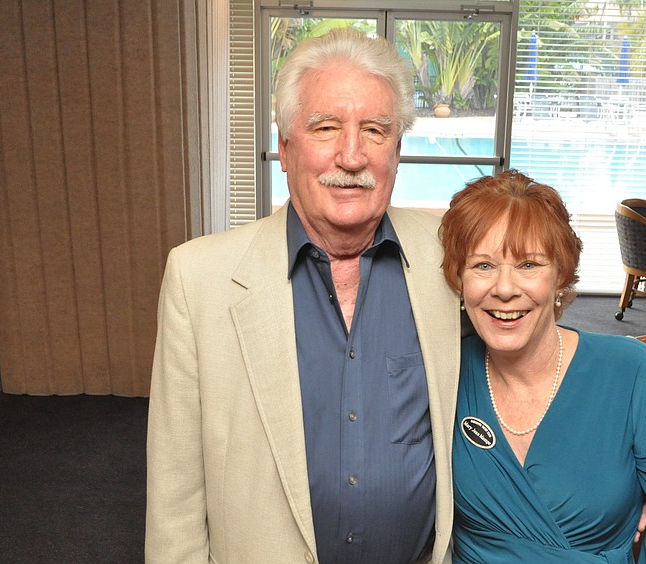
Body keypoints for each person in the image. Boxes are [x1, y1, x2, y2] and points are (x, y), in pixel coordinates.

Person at [144, 29, 462, 563]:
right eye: (326, 128)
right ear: (285, 148)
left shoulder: (453, 259)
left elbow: (527, 360)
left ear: (398, 151)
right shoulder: (198, 278)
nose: (352, 155)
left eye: (375, 131)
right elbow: (175, 492)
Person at [439, 169, 646, 562]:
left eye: (529, 265)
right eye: (483, 265)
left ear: (560, 276)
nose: (506, 288)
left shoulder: (629, 372)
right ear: (459, 279)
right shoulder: (442, 370)